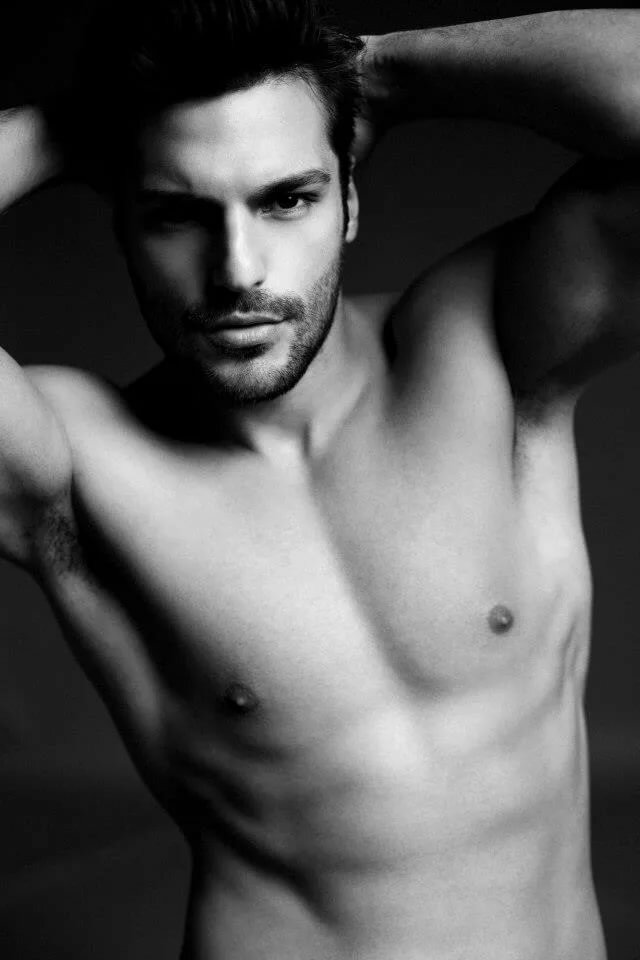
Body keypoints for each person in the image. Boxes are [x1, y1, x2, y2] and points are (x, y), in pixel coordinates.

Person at [1, 0, 639, 956]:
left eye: (285, 198)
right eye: (177, 213)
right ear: (122, 222)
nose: (237, 270)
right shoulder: (77, 465)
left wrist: (387, 72)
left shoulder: (491, 347)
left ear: (349, 202)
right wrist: (62, 129)